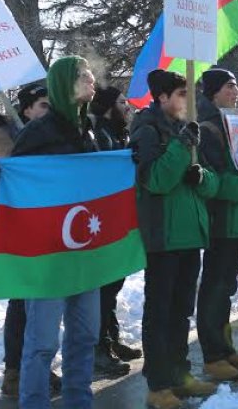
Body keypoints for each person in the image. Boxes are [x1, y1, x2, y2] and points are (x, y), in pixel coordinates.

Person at [0, 57, 99, 408]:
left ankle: (78, 401)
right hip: (48, 255)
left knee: (84, 336)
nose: (92, 79)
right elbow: (20, 189)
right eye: (84, 75)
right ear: (66, 84)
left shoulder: (89, 129)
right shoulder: (39, 132)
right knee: (41, 343)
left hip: (84, 251)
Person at [131, 69, 222, 409]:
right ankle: (158, 384)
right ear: (163, 97)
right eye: (182, 93)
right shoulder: (148, 129)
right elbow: (156, 180)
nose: (188, 100)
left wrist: (203, 178)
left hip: (190, 232)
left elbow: (208, 183)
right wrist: (182, 147)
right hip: (163, 235)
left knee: (182, 311)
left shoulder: (186, 130)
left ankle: (180, 375)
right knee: (161, 312)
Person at [0, 84, 61, 399]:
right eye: (42, 105)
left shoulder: (51, 134)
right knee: (23, 303)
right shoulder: (3, 138)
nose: (48, 111)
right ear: (26, 110)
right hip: (19, 232)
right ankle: (15, 372)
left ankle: (34, 365)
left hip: (49, 227)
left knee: (41, 303)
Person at [194, 68, 238, 381]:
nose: (236, 91)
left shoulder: (233, 122)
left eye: (236, 85)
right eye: (228, 86)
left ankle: (226, 349)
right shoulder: (206, 127)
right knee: (215, 287)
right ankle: (212, 355)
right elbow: (217, 179)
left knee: (226, 287)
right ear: (212, 92)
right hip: (222, 217)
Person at [87, 87, 140, 378]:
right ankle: (99, 349)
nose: (128, 108)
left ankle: (112, 338)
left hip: (119, 218)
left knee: (113, 286)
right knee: (104, 290)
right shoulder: (99, 133)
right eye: (123, 103)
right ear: (109, 107)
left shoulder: (119, 132)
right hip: (101, 222)